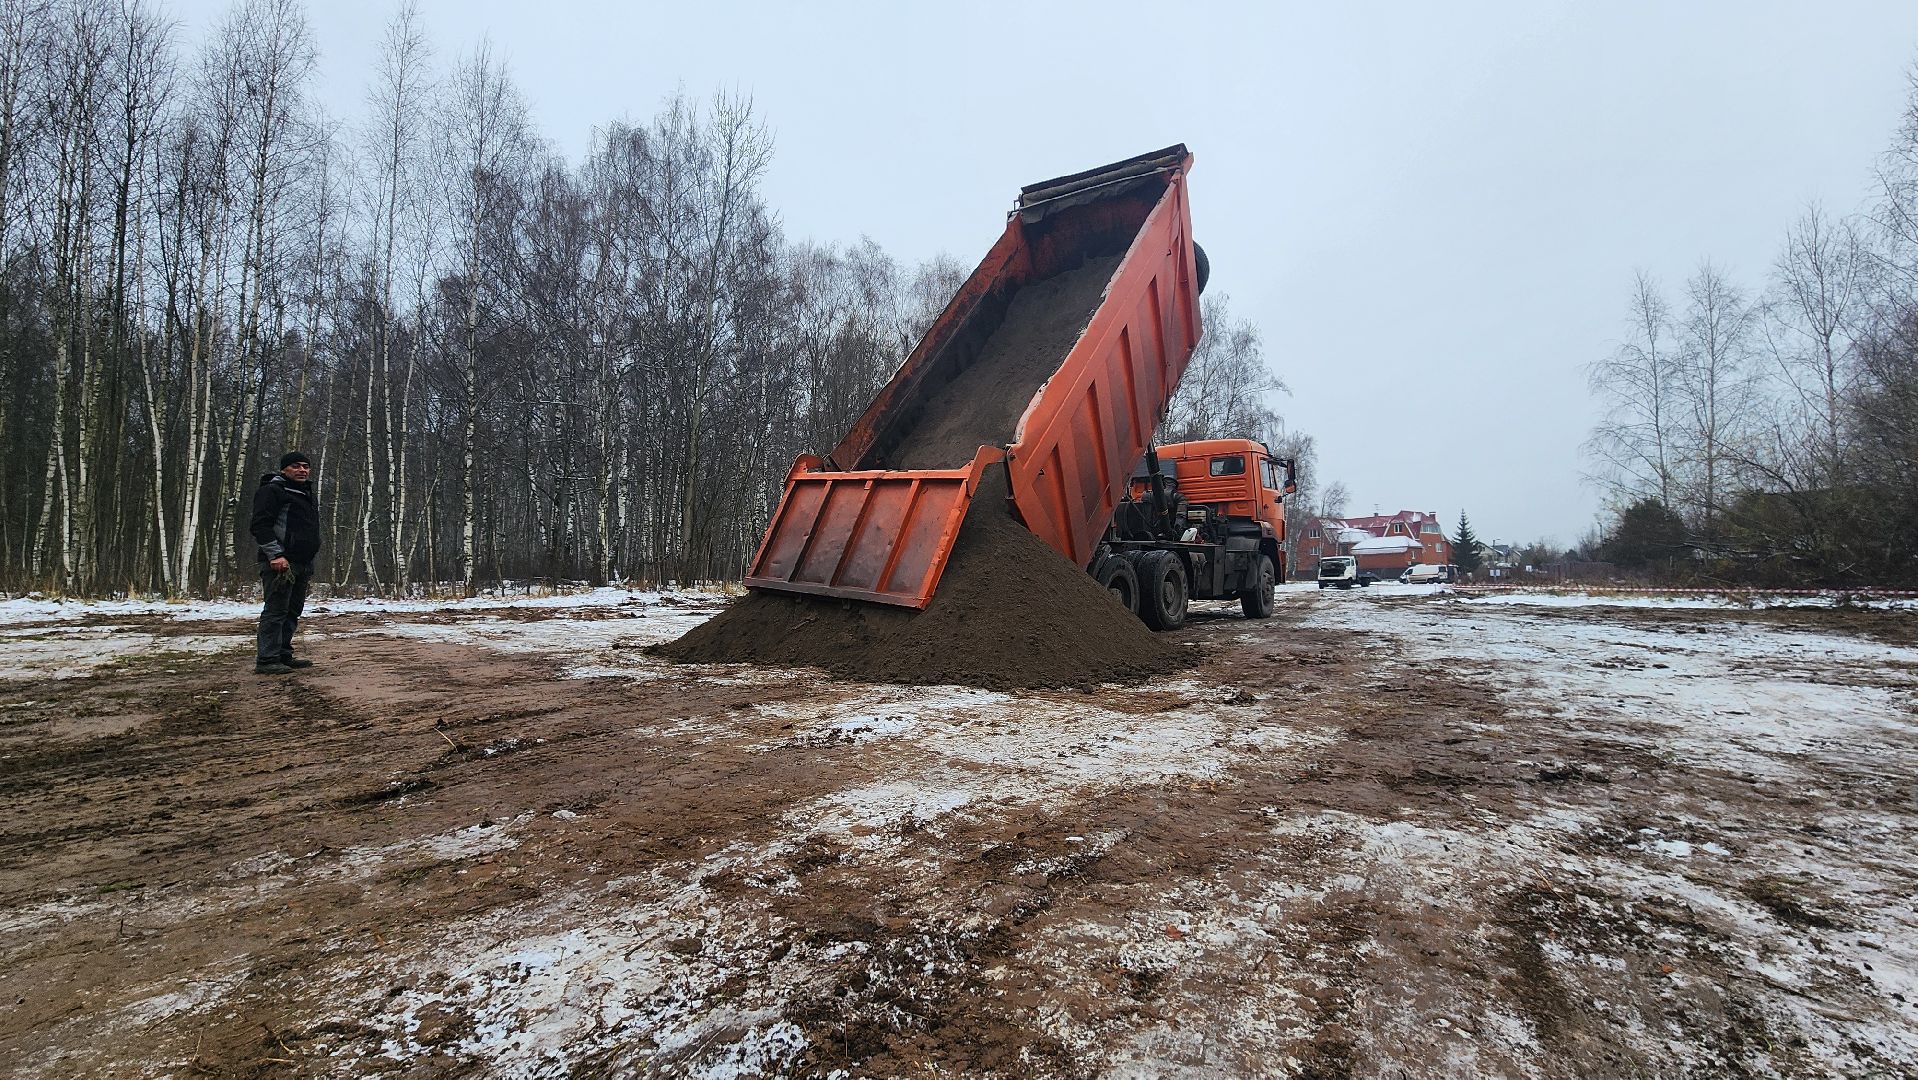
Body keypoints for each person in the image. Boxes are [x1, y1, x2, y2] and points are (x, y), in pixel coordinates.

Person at [251, 451, 322, 675]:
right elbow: (260, 526)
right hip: (280, 562)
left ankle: (282, 654)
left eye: (305, 466)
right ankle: (267, 659)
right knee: (276, 610)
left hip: (302, 563)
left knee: (292, 610)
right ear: (284, 469)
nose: (302, 470)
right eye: (296, 466)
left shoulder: (306, 493)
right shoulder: (272, 491)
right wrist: (275, 555)